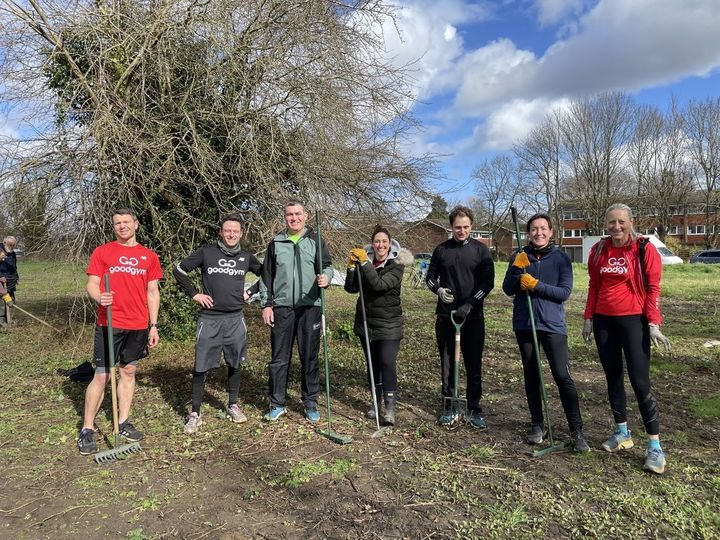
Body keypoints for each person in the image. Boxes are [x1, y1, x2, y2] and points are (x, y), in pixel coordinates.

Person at [583, 203, 671, 474]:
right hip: (604, 322)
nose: (616, 227)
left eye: (621, 222)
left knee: (640, 381)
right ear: (606, 224)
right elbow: (594, 286)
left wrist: (653, 323)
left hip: (634, 321)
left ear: (631, 222)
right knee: (613, 377)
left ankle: (655, 446)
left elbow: (653, 287)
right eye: (612, 222)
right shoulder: (599, 250)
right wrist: (588, 319)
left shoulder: (644, 249)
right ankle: (622, 432)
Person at [77, 209, 162, 455]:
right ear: (113, 226)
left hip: (137, 324)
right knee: (102, 375)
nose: (122, 226)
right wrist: (99, 297)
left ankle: (122, 422)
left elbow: (152, 291)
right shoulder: (103, 252)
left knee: (128, 371)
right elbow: (92, 284)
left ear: (136, 224)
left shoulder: (149, 256)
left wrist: (153, 325)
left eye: (126, 222)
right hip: (109, 323)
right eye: (117, 223)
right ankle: (87, 429)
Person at [502, 213, 590, 452]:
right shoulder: (520, 256)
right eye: (533, 229)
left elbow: (564, 293)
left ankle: (576, 430)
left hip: (552, 325)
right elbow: (507, 289)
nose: (538, 232)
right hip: (525, 323)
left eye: (543, 228)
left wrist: (536, 285)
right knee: (532, 375)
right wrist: (516, 269)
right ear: (528, 232)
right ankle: (537, 425)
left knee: (562, 375)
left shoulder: (561, 258)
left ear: (551, 232)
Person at [173, 215, 262, 434]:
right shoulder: (207, 252)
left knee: (235, 363)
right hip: (209, 320)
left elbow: (269, 274)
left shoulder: (246, 257)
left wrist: (250, 291)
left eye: (236, 231)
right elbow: (179, 270)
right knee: (200, 366)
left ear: (241, 233)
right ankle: (194, 413)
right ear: (221, 232)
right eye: (227, 230)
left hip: (235, 319)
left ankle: (233, 405)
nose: (231, 234)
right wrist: (194, 294)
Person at [260, 200, 333, 423]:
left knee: (309, 356)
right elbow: (266, 278)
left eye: (298, 214)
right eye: (290, 214)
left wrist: (326, 278)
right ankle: (277, 402)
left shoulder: (315, 240)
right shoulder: (275, 243)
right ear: (285, 217)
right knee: (279, 358)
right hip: (282, 308)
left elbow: (327, 266)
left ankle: (310, 402)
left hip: (310, 306)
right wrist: (266, 304)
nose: (294, 218)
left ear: (306, 216)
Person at [426, 205, 494, 428]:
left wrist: (471, 304)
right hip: (446, 317)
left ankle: (474, 408)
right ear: (451, 227)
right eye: (457, 227)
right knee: (447, 363)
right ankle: (449, 405)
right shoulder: (441, 250)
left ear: (471, 226)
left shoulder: (481, 251)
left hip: (472, 317)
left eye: (465, 227)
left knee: (473, 363)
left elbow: (488, 282)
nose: (461, 231)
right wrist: (438, 290)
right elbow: (430, 277)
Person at [344, 225, 413, 426]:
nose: (380, 245)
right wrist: (351, 268)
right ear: (372, 244)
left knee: (387, 363)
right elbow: (351, 288)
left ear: (390, 244)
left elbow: (379, 285)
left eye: (384, 241)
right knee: (373, 365)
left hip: (390, 324)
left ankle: (389, 408)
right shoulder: (366, 261)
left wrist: (364, 263)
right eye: (377, 241)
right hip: (366, 322)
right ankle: (376, 403)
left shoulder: (396, 265)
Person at [0, 236, 19, 301]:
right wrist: (1, 276)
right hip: (1, 280)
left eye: (13, 245)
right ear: (5, 243)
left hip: (10, 279)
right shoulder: (0, 251)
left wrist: (16, 277)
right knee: (2, 299)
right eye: (10, 245)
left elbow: (14, 266)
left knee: (11, 300)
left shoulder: (13, 253)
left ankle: (9, 310)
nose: (11, 247)